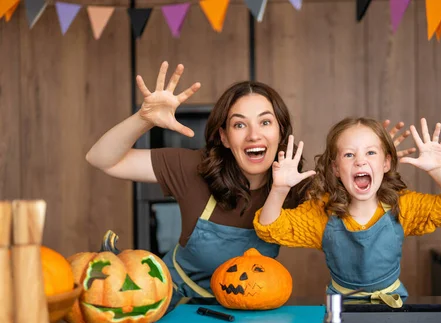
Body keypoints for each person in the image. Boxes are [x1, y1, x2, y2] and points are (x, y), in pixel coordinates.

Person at [85, 62, 414, 304]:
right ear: (225, 138)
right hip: (172, 303)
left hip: (247, 305)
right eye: (239, 125)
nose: (255, 134)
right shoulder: (192, 167)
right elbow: (101, 158)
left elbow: (360, 215)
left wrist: (372, 160)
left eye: (265, 122)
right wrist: (142, 119)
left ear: (281, 133)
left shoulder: (299, 187)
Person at [253, 117, 441, 308]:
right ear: (335, 168)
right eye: (349, 155)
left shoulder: (403, 206)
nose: (360, 161)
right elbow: (269, 228)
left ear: (386, 162)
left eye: (370, 152)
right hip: (341, 311)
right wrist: (279, 189)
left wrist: (438, 170)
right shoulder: (320, 213)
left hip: (391, 309)